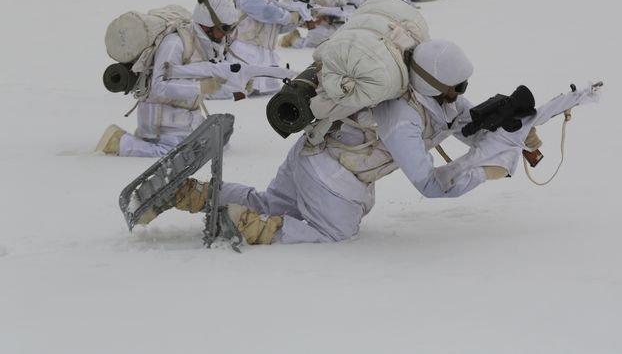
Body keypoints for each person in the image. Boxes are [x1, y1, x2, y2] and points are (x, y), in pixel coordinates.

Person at [137, 40, 547, 245]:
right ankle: (249, 228)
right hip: (334, 179)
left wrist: (511, 128)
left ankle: (191, 194)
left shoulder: (423, 95)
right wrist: (483, 170)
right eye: (457, 86)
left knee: (269, 202)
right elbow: (430, 185)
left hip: (310, 153)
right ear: (434, 83)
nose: (461, 92)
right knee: (331, 234)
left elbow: (463, 121)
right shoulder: (401, 117)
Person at [96, 0, 240, 158]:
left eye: (231, 28)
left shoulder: (207, 46)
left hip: (185, 117)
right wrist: (200, 87)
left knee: (215, 147)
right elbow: (158, 87)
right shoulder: (175, 43)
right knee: (178, 156)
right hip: (161, 120)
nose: (227, 34)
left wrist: (235, 83)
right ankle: (119, 142)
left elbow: (210, 80)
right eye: (225, 28)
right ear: (208, 24)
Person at [228, 0, 309, 95]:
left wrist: (298, 19)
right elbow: (267, 12)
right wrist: (289, 15)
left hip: (265, 56)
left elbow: (277, 28)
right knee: (240, 97)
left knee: (264, 99)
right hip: (245, 54)